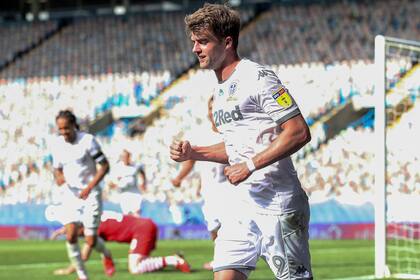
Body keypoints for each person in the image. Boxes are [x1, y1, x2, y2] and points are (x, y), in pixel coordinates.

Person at [170, 3, 312, 280]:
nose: (195, 49)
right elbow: (238, 146)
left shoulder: (257, 77)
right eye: (194, 42)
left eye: (203, 42)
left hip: (277, 202)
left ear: (227, 42)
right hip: (242, 203)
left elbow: (298, 131)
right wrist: (194, 152)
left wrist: (248, 165)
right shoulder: (220, 89)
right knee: (225, 276)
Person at [50, 110, 115, 280]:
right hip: (70, 195)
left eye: (66, 128)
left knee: (91, 241)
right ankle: (82, 275)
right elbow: (57, 169)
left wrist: (90, 187)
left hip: (91, 194)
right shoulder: (57, 144)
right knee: (71, 234)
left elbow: (105, 166)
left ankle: (106, 254)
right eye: (60, 129)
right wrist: (61, 181)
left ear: (74, 125)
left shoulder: (87, 141)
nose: (64, 132)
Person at [171, 96, 230, 271]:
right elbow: (191, 159)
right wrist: (179, 177)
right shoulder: (201, 134)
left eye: (216, 108)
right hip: (210, 190)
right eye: (210, 108)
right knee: (213, 226)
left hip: (232, 188)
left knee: (231, 225)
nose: (213, 112)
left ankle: (227, 260)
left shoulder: (231, 131)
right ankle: (221, 258)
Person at [50, 210, 191, 275]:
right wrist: (61, 231)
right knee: (142, 263)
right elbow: (75, 226)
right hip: (145, 225)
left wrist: (69, 270)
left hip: (141, 230)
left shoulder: (91, 227)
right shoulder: (93, 216)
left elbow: (84, 256)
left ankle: (173, 260)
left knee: (135, 269)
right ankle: (171, 259)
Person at [108, 149, 146, 217]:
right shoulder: (117, 168)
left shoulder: (135, 166)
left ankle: (137, 226)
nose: (125, 158)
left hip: (135, 192)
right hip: (124, 194)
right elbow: (111, 182)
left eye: (127, 156)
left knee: (137, 214)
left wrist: (143, 183)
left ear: (130, 157)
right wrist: (116, 185)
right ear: (121, 157)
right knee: (127, 215)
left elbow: (142, 172)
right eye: (124, 157)